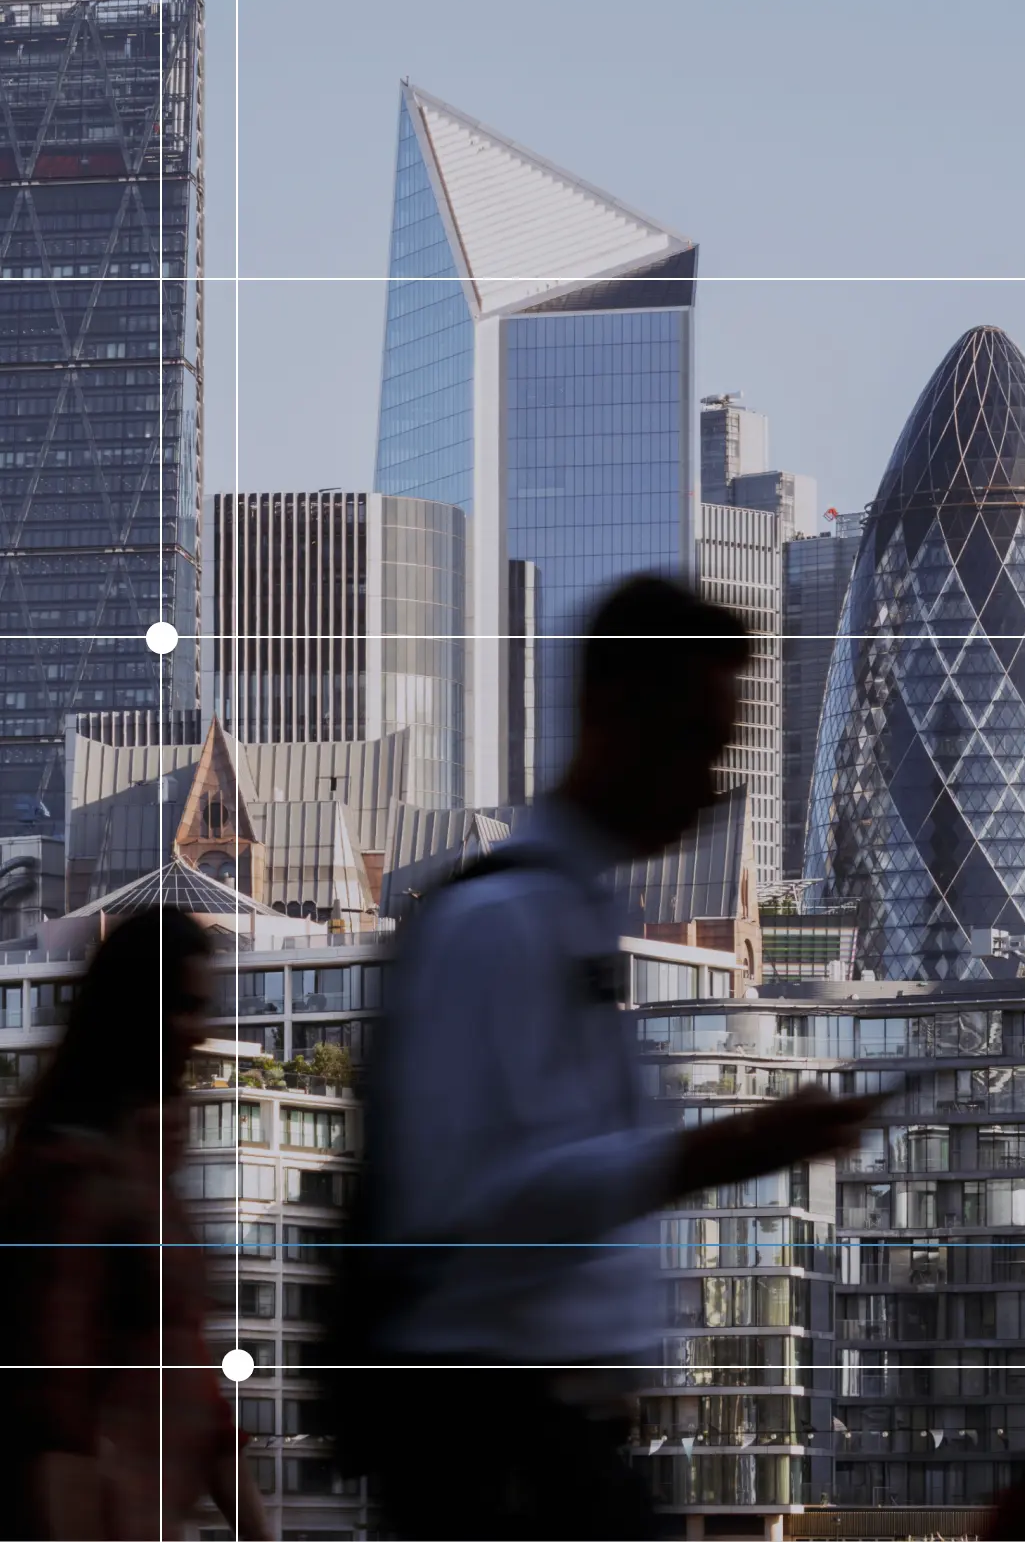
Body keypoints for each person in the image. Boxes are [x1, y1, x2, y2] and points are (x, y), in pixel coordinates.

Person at [340, 575, 879, 1539]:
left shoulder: (578, 920)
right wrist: (729, 1150)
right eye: (695, 746)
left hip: (563, 1451)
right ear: (613, 714)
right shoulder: (497, 925)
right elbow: (484, 1204)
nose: (710, 789)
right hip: (496, 1456)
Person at [0, 908, 273, 1541]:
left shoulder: (140, 1165)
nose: (200, 1030)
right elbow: (57, 1406)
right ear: (136, 1014)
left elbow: (183, 1371)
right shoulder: (75, 1177)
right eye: (185, 1007)